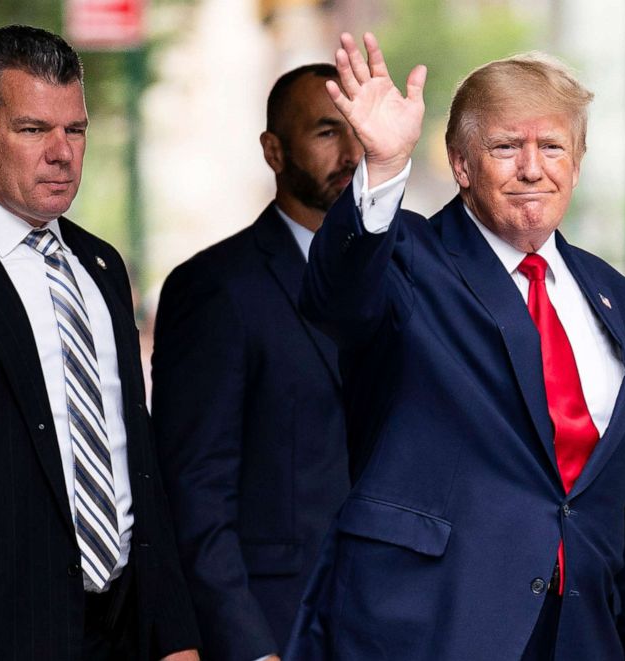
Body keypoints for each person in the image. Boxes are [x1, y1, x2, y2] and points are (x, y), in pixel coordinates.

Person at [285, 33, 625, 660]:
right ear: (462, 164)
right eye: (506, 147)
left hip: (582, 637)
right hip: (433, 629)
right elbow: (335, 298)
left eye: (552, 146)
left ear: (576, 163)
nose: (533, 168)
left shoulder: (618, 297)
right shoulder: (409, 259)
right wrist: (385, 166)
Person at [0, 25, 199, 660]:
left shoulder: (101, 267)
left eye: (74, 130)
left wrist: (175, 636)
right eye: (33, 130)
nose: (62, 152)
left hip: (123, 633)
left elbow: (133, 459)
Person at [151, 63, 360, 661]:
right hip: (280, 627)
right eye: (325, 133)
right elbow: (195, 495)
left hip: (398, 623)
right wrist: (249, 649)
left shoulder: (410, 272)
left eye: (356, 132)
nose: (349, 152)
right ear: (274, 151)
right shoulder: (215, 289)